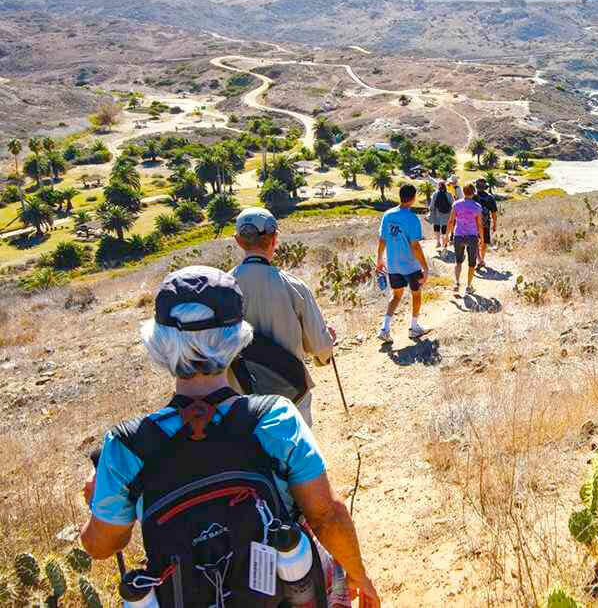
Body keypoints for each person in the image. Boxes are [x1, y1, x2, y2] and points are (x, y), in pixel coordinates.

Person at [81, 266, 380, 608]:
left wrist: (96, 501)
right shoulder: (275, 417)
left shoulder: (125, 446)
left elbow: (101, 546)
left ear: (159, 344)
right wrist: (360, 576)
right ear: (237, 337)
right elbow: (326, 515)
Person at [228, 207, 335, 426]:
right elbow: (320, 346)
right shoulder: (294, 286)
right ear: (274, 238)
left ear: (239, 241)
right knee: (297, 456)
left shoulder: (221, 287)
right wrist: (325, 353)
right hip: (291, 393)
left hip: (242, 398)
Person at [376, 184, 430, 343]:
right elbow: (415, 245)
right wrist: (425, 267)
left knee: (396, 296)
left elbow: (382, 239)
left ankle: (385, 328)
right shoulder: (412, 218)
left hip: (393, 265)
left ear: (400, 196)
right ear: (413, 198)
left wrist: (380, 259)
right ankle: (414, 327)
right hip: (410, 266)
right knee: (416, 293)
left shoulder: (388, 215)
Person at [446, 182, 484, 296]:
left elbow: (451, 221)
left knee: (458, 261)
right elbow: (480, 225)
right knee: (471, 263)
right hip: (472, 236)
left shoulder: (456, 205)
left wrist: (447, 236)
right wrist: (481, 237)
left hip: (459, 235)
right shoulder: (477, 207)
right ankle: (468, 286)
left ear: (463, 192)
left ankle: (457, 283)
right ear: (473, 193)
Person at [473, 179, 499, 269]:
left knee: (474, 241)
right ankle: (481, 259)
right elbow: (494, 213)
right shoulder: (490, 197)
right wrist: (495, 224)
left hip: (473, 223)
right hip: (485, 223)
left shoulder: (473, 197)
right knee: (484, 242)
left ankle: (478, 260)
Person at [426, 179, 454, 251]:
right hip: (446, 215)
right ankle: (444, 243)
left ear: (438, 186)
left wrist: (430, 211)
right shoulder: (449, 194)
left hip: (437, 214)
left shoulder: (435, 194)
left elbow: (432, 205)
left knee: (437, 227)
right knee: (444, 229)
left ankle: (438, 242)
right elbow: (453, 204)